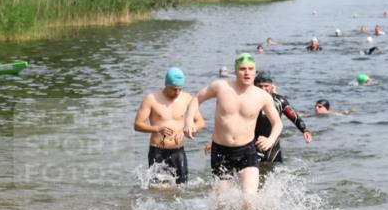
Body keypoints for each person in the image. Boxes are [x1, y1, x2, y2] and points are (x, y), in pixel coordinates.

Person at [184, 53, 283, 197]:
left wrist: (270, 140)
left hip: (247, 150)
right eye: (243, 69)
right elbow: (196, 99)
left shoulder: (262, 96)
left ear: (255, 72)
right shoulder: (221, 86)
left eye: (250, 69)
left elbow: (277, 123)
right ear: (236, 71)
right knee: (221, 201)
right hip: (221, 151)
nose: (247, 72)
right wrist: (188, 121)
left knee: (249, 199)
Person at [134, 67, 205, 185]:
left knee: (182, 188)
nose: (177, 92)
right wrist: (157, 128)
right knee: (160, 190)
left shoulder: (187, 99)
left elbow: (201, 123)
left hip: (178, 151)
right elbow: (137, 125)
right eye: (173, 89)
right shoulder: (151, 99)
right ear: (166, 84)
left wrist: (185, 131)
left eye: (180, 89)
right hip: (158, 151)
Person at [252, 71, 312, 165]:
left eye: (266, 86)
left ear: (271, 86)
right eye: (260, 86)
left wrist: (304, 130)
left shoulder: (279, 101)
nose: (263, 89)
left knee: (275, 173)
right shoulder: (248, 102)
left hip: (273, 147)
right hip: (254, 145)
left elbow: (293, 116)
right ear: (254, 86)